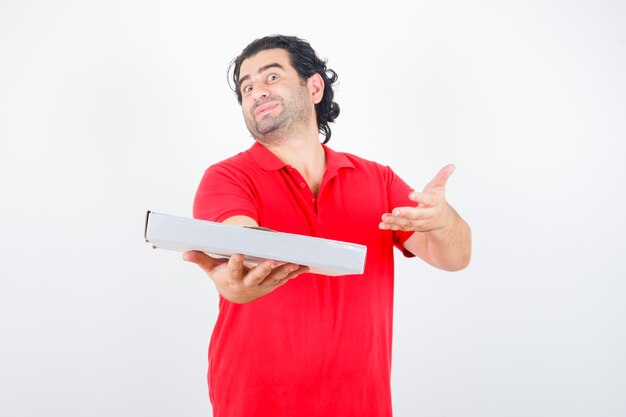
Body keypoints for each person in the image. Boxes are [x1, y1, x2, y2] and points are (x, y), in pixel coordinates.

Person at [183, 35, 471, 417]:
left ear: (314, 86)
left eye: (271, 77)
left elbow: (455, 258)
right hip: (256, 405)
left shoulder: (378, 179)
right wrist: (234, 280)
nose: (255, 92)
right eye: (246, 87)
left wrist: (443, 220)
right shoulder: (227, 177)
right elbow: (242, 246)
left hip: (361, 405)